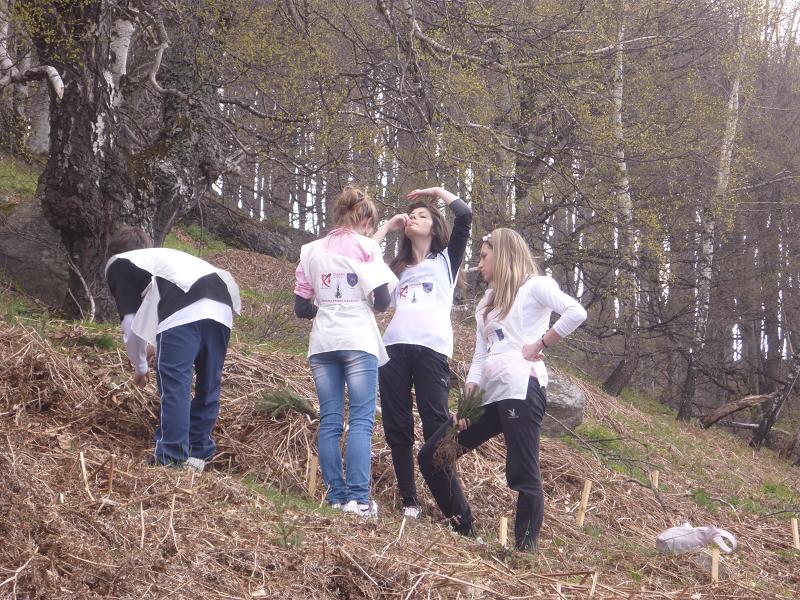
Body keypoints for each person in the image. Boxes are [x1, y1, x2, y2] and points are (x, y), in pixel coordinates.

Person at [418, 227, 587, 551]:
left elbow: (576, 312)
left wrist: (540, 343)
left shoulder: (536, 286)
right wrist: (470, 392)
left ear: (504, 255)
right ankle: (465, 530)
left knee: (523, 473)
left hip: (521, 388)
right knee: (433, 455)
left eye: (484, 256)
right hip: (487, 394)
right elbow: (481, 355)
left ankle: (525, 552)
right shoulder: (486, 303)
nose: (479, 263)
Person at [294, 186, 397, 517]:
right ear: (366, 221)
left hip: (323, 342)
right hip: (358, 340)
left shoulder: (310, 251)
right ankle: (359, 499)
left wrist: (326, 307)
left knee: (330, 420)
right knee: (362, 419)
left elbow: (301, 307)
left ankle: (337, 497)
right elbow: (382, 302)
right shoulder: (367, 248)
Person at [371, 186, 472, 518]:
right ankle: (410, 501)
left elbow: (465, 215)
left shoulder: (446, 261)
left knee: (436, 426)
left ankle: (454, 509)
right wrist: (387, 227)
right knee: (397, 426)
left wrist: (435, 192)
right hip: (393, 348)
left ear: (434, 226)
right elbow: (365, 261)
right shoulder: (397, 268)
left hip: (432, 350)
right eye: (411, 215)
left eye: (422, 215)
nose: (413, 217)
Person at [105, 226, 241, 470]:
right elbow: (159, 313)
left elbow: (131, 324)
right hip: (222, 306)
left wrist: (140, 367)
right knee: (208, 384)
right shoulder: (166, 262)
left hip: (183, 313)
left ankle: (171, 456)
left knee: (176, 385)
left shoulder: (121, 262)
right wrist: (154, 347)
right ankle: (198, 454)